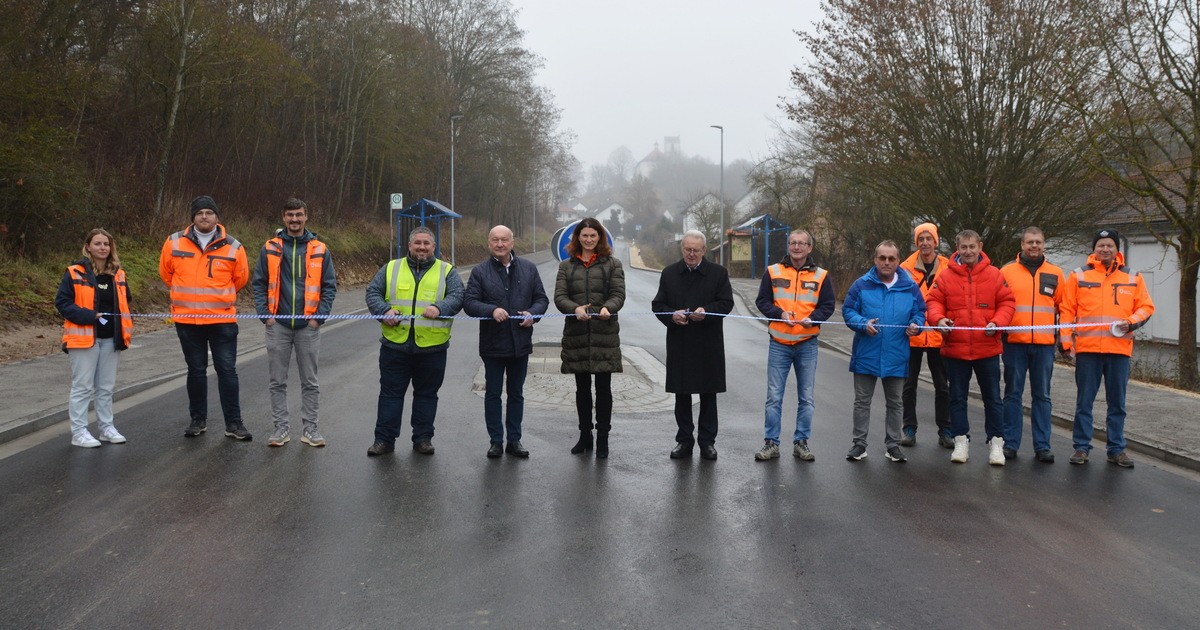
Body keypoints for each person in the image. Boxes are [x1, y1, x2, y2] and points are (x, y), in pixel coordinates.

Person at [364, 226, 464, 457]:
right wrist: (384, 311)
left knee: (427, 395)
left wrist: (440, 307)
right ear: (409, 245)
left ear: (434, 246)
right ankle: (384, 440)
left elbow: (458, 296)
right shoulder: (391, 267)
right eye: (417, 242)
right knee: (390, 395)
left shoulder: (447, 271)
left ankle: (423, 439)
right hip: (395, 345)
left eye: (426, 243)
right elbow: (373, 293)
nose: (422, 247)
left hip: (432, 348)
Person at [159, 195, 252, 441]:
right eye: (199, 213)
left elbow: (240, 279)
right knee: (196, 371)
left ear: (217, 217)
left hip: (222, 321)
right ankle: (197, 420)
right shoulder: (173, 242)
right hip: (188, 321)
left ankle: (234, 423)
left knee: (227, 371)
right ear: (193, 217)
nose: (204, 217)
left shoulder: (234, 246)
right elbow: (166, 274)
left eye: (209, 212)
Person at [1060, 229, 1154, 469]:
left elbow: (1146, 307)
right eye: (1101, 245)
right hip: (1088, 351)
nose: (1105, 249)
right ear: (1094, 248)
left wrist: (1131, 322)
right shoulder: (1078, 275)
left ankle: (1116, 449)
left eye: (1110, 245)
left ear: (1117, 249)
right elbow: (1067, 310)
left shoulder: (1133, 276)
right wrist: (1065, 342)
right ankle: (1081, 448)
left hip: (1119, 350)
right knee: (1084, 403)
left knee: (1117, 404)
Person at [251, 198, 337, 448]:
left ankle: (310, 429)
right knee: (277, 381)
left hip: (308, 327)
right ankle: (280, 429)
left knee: (310, 382)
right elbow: (258, 283)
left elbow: (329, 286)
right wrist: (265, 315)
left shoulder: (320, 248)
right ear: (283, 217)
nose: (295, 219)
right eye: (290, 215)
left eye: (299, 214)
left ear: (306, 216)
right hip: (277, 325)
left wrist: (318, 318)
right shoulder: (269, 247)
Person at [925, 230, 1015, 465]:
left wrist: (998, 322)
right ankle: (961, 442)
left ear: (980, 247)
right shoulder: (945, 276)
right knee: (957, 398)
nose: (968, 252)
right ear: (957, 248)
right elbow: (933, 302)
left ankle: (996, 444)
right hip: (955, 349)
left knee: (993, 399)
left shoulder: (995, 275)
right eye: (963, 247)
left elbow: (1007, 302)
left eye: (972, 247)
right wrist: (939, 320)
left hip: (987, 348)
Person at [463, 225, 549, 459]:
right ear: (489, 243)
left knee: (516, 394)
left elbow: (541, 299)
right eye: (495, 240)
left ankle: (514, 440)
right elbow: (469, 303)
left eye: (504, 240)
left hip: (520, 343)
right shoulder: (480, 271)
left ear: (512, 242)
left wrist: (533, 314)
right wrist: (491, 310)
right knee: (492, 394)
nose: (500, 244)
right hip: (493, 345)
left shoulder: (529, 269)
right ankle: (495, 441)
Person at [753, 229, 835, 462]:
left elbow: (828, 306)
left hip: (807, 343)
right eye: (793, 243)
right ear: (788, 246)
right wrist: (778, 313)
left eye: (801, 244)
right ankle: (771, 443)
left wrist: (814, 318)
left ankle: (801, 442)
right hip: (779, 342)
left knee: (806, 397)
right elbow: (762, 301)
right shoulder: (773, 271)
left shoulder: (821, 275)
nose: (796, 247)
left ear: (810, 248)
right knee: (774, 397)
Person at [652, 230, 734, 460]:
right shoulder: (669, 274)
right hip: (681, 342)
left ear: (704, 251)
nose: (691, 253)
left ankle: (707, 442)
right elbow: (658, 305)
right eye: (687, 249)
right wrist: (672, 316)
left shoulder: (718, 273)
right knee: (682, 394)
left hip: (708, 343)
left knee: (708, 395)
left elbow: (727, 303)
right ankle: (684, 441)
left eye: (696, 250)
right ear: (682, 249)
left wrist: (707, 312)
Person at [842, 240, 926, 463]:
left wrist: (916, 325)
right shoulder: (861, 285)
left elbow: (920, 312)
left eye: (891, 258)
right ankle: (859, 445)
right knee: (862, 402)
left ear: (898, 260)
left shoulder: (910, 286)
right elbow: (848, 310)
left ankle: (893, 445)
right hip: (866, 353)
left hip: (897, 354)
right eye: (882, 258)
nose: (887, 262)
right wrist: (862, 323)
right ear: (875, 259)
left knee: (896, 403)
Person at [554, 217, 626, 459]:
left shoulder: (613, 264)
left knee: (604, 390)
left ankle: (603, 438)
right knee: (582, 389)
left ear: (600, 237)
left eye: (593, 236)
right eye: (584, 235)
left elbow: (618, 294)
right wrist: (574, 309)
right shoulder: (566, 266)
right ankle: (585, 436)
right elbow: (560, 296)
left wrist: (609, 308)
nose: (588, 240)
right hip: (577, 333)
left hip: (604, 334)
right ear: (577, 238)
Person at [55, 228, 133, 448]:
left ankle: (106, 427)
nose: (102, 248)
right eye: (97, 244)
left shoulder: (118, 273)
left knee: (106, 387)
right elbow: (62, 304)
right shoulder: (74, 272)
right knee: (82, 387)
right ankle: (79, 432)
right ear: (88, 246)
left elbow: (126, 301)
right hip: (84, 339)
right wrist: (89, 316)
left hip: (112, 339)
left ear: (111, 248)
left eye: (106, 244)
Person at [999, 226, 1064, 463]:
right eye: (1029, 242)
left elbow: (1063, 309)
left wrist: (1064, 343)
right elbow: (999, 304)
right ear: (1022, 245)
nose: (1034, 246)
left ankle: (1042, 446)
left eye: (1038, 242)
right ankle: (1010, 444)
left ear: (1044, 244)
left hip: (1044, 345)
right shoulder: (1006, 272)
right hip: (1015, 344)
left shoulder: (1056, 273)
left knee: (1043, 396)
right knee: (1012, 395)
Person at [899, 222, 952, 448]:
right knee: (909, 385)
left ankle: (946, 429)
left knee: (942, 385)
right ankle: (909, 428)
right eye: (921, 239)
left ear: (936, 241)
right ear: (916, 242)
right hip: (913, 336)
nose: (925, 243)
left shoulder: (949, 267)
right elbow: (901, 300)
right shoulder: (905, 267)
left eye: (929, 238)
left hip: (940, 336)